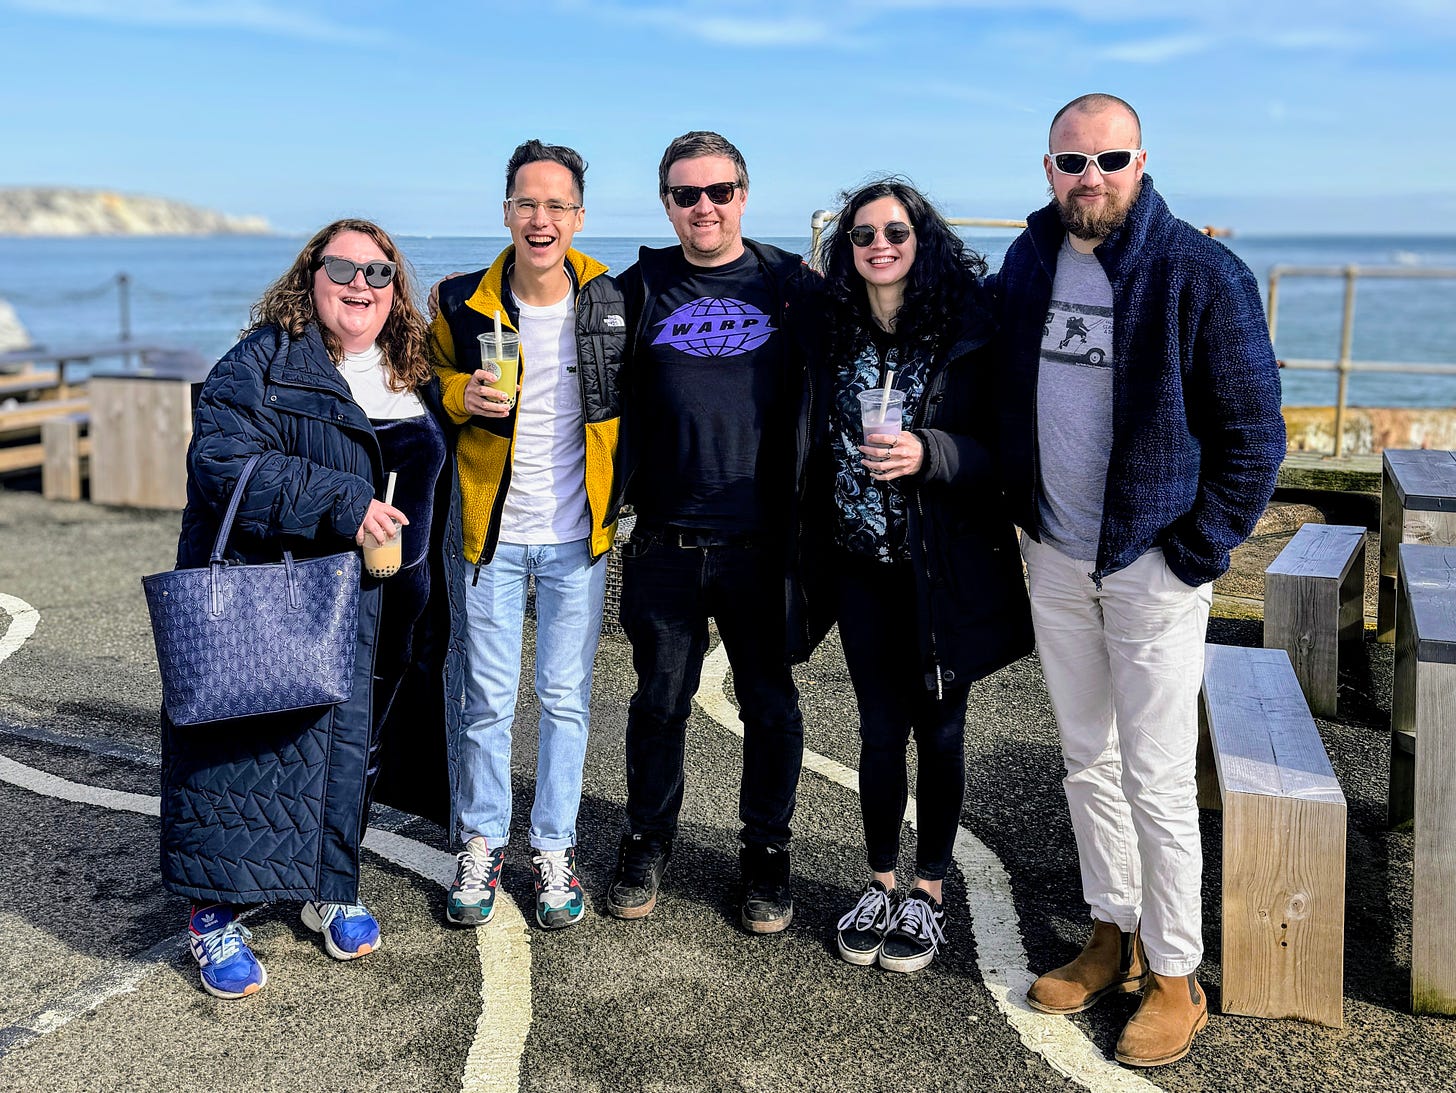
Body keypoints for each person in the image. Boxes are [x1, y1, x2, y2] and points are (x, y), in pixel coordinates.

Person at [992, 94, 1285, 1065]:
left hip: (1154, 566)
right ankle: (1108, 932)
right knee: (1087, 760)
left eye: (1109, 160)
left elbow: (1252, 439)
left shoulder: (1200, 274)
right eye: (1072, 162)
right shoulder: (1030, 263)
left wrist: (1192, 552)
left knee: (1157, 778)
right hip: (1059, 558)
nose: (1091, 178)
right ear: (1047, 170)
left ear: (1141, 162)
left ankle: (1174, 974)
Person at [161, 218, 463, 999]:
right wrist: (344, 502)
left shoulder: (412, 367)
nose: (360, 285)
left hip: (387, 600)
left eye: (378, 272)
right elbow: (222, 465)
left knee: (350, 750)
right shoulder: (262, 362)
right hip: (283, 593)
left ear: (396, 289)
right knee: (247, 748)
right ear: (311, 274)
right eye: (343, 268)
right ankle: (212, 912)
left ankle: (330, 880)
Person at [813, 179, 1033, 973]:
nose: (879, 245)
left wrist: (929, 451)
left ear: (922, 238)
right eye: (863, 234)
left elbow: (1009, 452)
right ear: (847, 248)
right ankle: (878, 883)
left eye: (895, 232)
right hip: (857, 563)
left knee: (940, 730)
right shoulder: (830, 326)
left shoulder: (969, 327)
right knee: (877, 730)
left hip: (940, 566)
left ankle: (930, 892)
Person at [607, 131, 825, 934]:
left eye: (720, 191)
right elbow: (554, 322)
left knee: (771, 705)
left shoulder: (790, 284)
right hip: (665, 538)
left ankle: (766, 851)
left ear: (744, 192)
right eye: (686, 194)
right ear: (667, 203)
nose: (705, 207)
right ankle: (646, 839)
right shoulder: (637, 288)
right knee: (659, 700)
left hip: (766, 545)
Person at [427, 140, 627, 931]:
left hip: (579, 535)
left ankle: (553, 847)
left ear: (578, 216)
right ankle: (481, 841)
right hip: (491, 538)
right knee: (485, 702)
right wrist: (456, 393)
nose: (539, 219)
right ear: (505, 210)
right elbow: (421, 375)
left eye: (556, 205)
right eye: (525, 203)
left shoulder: (610, 300)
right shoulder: (462, 303)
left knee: (565, 700)